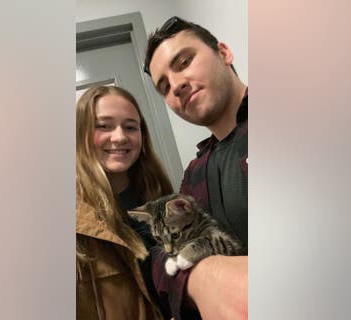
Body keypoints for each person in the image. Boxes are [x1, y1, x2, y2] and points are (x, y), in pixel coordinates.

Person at [143, 16, 249, 320]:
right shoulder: (194, 172)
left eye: (185, 61)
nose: (175, 85)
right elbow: (160, 266)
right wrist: (203, 279)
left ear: (224, 53)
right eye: (163, 86)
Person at [75, 85, 175, 319]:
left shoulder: (163, 197)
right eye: (103, 126)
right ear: (81, 134)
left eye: (130, 127)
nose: (119, 137)